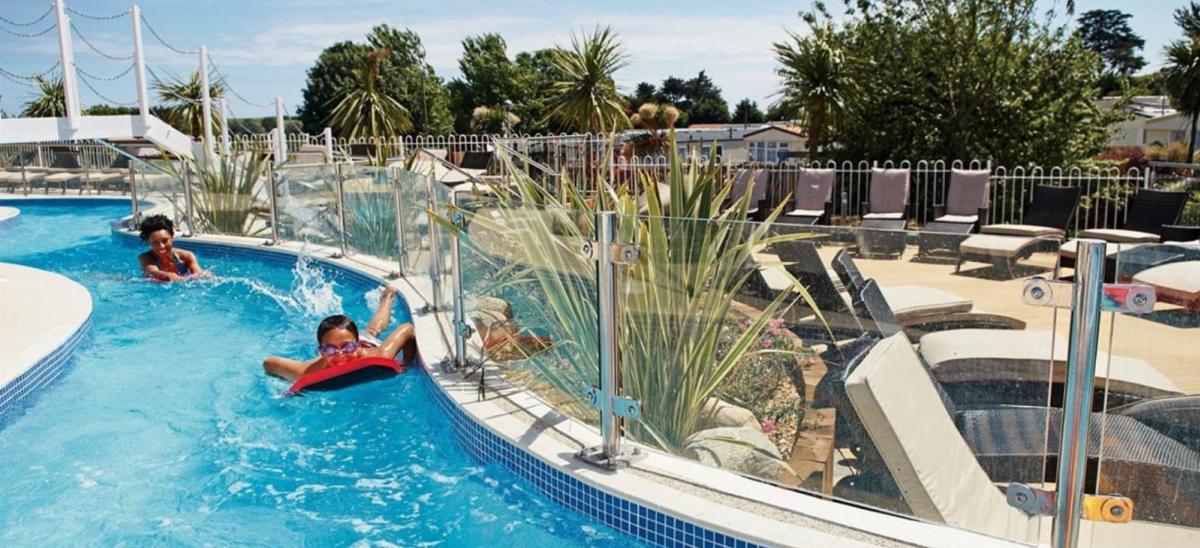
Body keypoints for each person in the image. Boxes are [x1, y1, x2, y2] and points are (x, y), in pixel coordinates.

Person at [263, 286, 417, 382]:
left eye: (348, 348)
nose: (340, 355)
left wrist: (406, 364)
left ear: (357, 346)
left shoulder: (380, 355)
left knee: (372, 330)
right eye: (330, 350)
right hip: (345, 342)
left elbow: (407, 328)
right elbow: (269, 363)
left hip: (366, 342)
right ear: (321, 352)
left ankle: (387, 297)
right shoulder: (309, 371)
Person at [137, 214, 208, 282]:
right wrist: (170, 276)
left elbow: (198, 274)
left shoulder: (187, 256)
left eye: (165, 241)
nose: (161, 246)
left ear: (172, 237)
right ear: (149, 242)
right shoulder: (145, 257)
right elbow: (153, 272)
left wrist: (203, 276)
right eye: (155, 242)